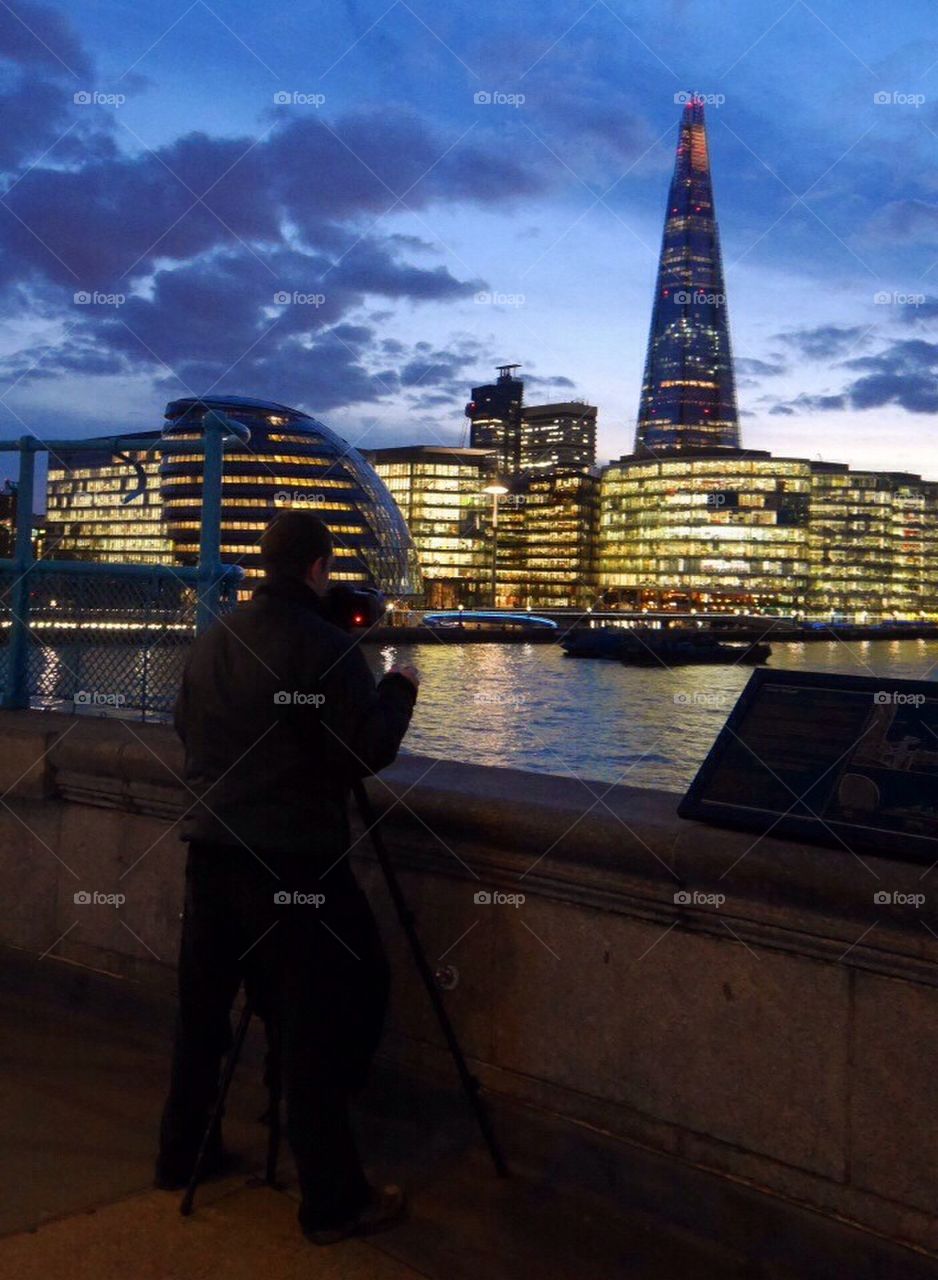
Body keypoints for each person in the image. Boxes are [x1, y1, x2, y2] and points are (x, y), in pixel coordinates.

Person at [154, 510, 419, 1246]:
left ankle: (183, 1154)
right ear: (317, 568)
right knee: (322, 1017)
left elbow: (186, 727)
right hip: (294, 866)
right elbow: (364, 749)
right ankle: (333, 1200)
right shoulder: (326, 647)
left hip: (211, 853)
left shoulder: (211, 642)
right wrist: (399, 687)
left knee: (202, 1019)